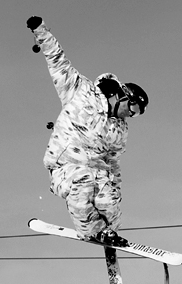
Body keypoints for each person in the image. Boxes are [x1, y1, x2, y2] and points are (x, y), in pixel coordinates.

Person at [27, 15, 149, 246]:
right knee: (83, 182)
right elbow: (58, 62)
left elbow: (113, 162)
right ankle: (90, 230)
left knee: (108, 197)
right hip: (65, 167)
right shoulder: (82, 92)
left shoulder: (119, 130)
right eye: (133, 108)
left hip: (97, 171)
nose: (132, 115)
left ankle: (109, 231)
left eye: (138, 113)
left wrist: (115, 188)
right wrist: (41, 31)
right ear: (123, 96)